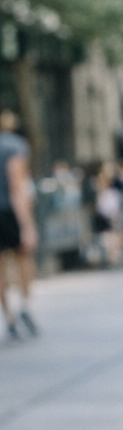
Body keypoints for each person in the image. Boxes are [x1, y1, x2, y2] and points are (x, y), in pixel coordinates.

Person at [0, 109, 39, 341]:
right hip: (9, 212)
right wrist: (27, 226)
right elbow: (18, 188)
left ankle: (8, 317)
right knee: (23, 258)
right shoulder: (15, 146)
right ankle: (24, 306)